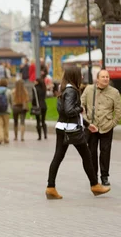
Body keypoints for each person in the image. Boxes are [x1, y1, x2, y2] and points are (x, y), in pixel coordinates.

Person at [45, 67, 110, 200]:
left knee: (58, 157)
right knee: (86, 156)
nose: (81, 77)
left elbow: (65, 112)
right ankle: (95, 185)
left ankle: (51, 187)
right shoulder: (72, 91)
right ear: (74, 76)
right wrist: (81, 108)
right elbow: (69, 111)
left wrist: (86, 124)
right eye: (80, 75)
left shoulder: (64, 89)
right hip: (72, 130)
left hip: (63, 128)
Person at [81, 69, 121, 186]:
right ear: (97, 79)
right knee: (92, 152)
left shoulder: (114, 92)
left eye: (107, 77)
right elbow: (81, 105)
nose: (105, 79)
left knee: (105, 152)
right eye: (103, 77)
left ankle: (105, 176)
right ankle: (94, 177)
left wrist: (112, 123)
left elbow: (119, 111)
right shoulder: (89, 89)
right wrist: (87, 122)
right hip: (92, 127)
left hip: (107, 127)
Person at [0, 79, 12, 144]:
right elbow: (11, 101)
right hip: (7, 111)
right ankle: (6, 138)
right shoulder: (8, 91)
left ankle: (0, 138)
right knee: (6, 125)